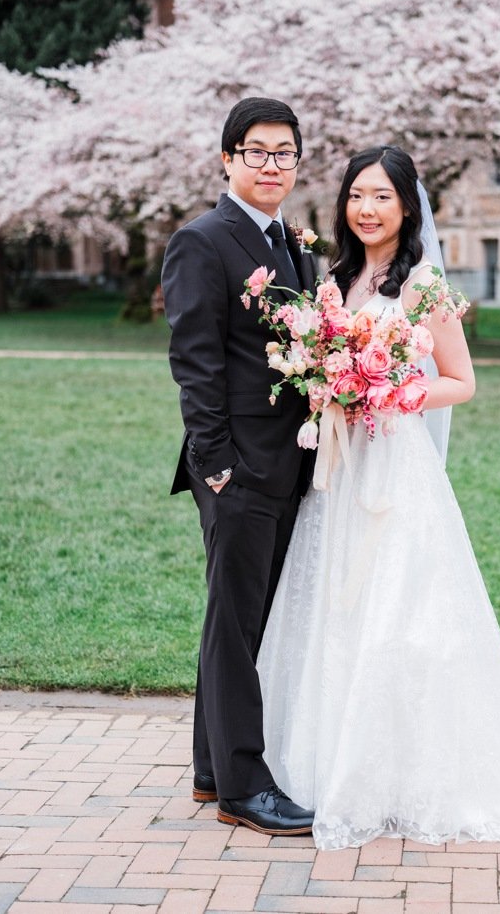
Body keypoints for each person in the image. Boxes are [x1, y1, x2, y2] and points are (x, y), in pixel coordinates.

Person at [255, 145, 500, 850]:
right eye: (357, 197)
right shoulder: (333, 280)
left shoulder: (424, 285)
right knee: (335, 603)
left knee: (402, 608)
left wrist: (392, 391)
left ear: (406, 208)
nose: (367, 210)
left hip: (396, 461)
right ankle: (324, 753)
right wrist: (323, 383)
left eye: (382, 198)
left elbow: (461, 380)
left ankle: (409, 770)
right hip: (341, 466)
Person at [163, 96, 319, 836]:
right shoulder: (203, 240)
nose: (271, 165)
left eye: (284, 152)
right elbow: (193, 362)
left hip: (285, 462)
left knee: (242, 617)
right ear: (228, 158)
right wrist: (214, 463)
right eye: (256, 151)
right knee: (235, 623)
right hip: (237, 469)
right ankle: (244, 788)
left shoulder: (290, 243)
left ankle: (208, 768)